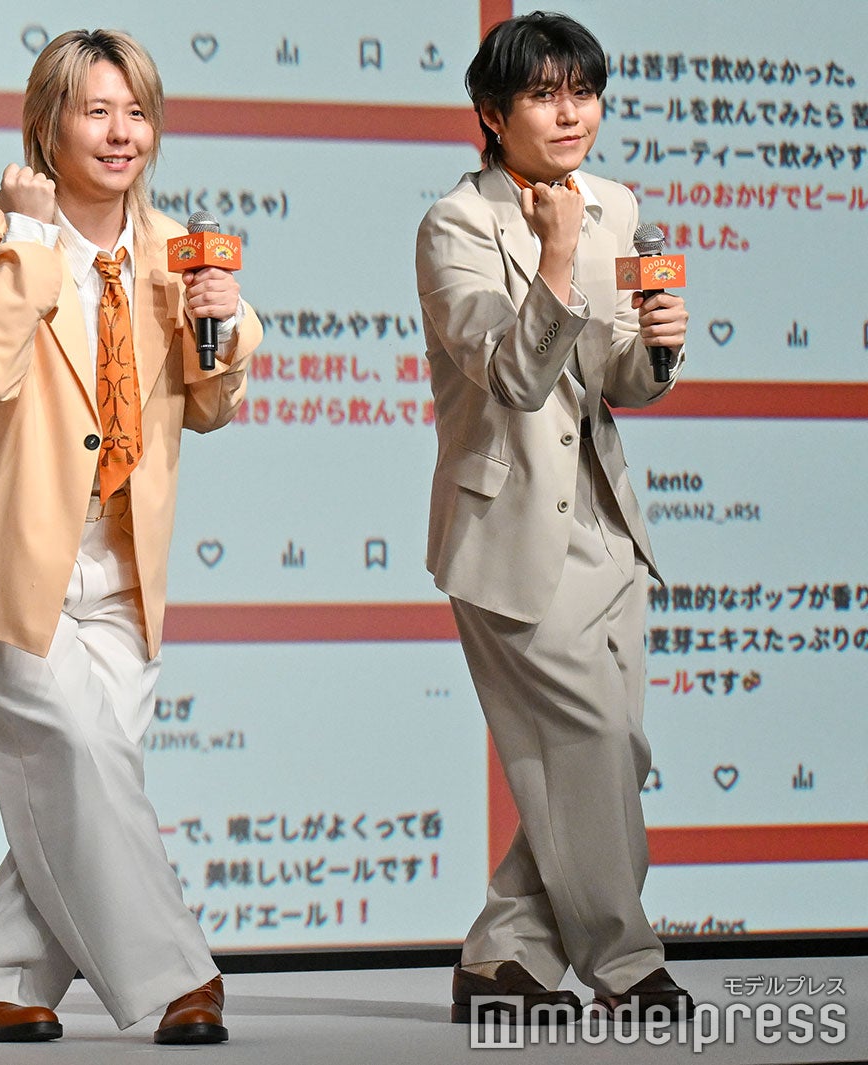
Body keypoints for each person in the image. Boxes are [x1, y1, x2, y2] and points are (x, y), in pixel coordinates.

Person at [0, 28, 262, 1046]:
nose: (121, 134)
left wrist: (224, 325)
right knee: (77, 757)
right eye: (97, 111)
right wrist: (30, 245)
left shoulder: (177, 250)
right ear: (47, 125)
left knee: (87, 784)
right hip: (3, 562)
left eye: (136, 112)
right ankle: (181, 979)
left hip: (122, 569)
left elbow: (209, 409)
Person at [416, 11, 695, 1025]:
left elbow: (613, 378)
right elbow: (514, 375)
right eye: (543, 94)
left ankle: (505, 955)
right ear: (492, 114)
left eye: (583, 91)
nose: (570, 113)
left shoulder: (615, 205)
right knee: (589, 742)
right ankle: (625, 962)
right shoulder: (455, 224)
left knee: (612, 751)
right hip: (509, 528)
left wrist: (657, 348)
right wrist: (557, 259)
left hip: (607, 521)